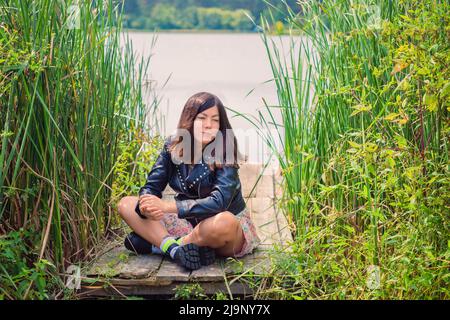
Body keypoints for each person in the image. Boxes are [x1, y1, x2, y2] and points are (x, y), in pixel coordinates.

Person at [117, 92, 261, 270]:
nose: (209, 125)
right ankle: (176, 250)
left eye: (215, 120)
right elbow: (152, 186)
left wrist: (166, 207)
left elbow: (219, 202)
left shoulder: (225, 149)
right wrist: (147, 205)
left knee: (224, 222)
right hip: (186, 223)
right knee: (126, 204)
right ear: (189, 119)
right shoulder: (173, 146)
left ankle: (161, 246)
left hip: (221, 229)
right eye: (202, 118)